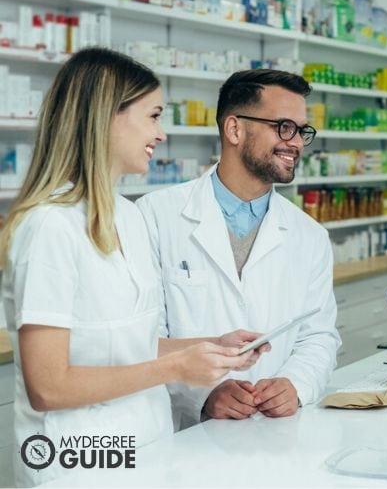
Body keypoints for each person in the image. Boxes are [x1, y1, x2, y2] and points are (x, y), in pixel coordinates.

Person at [0, 48, 268, 487]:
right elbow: (48, 386)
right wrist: (177, 369)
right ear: (107, 117)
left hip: (149, 449)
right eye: (153, 116)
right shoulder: (48, 225)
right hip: (76, 463)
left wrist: (212, 346)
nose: (161, 134)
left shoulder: (129, 216)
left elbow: (129, 341)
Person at [136, 69, 341, 429]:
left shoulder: (309, 235)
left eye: (301, 131)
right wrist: (204, 393)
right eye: (283, 127)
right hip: (188, 437)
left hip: (278, 433)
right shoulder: (155, 216)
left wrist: (295, 384)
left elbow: (319, 335)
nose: (295, 143)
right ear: (234, 129)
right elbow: (144, 337)